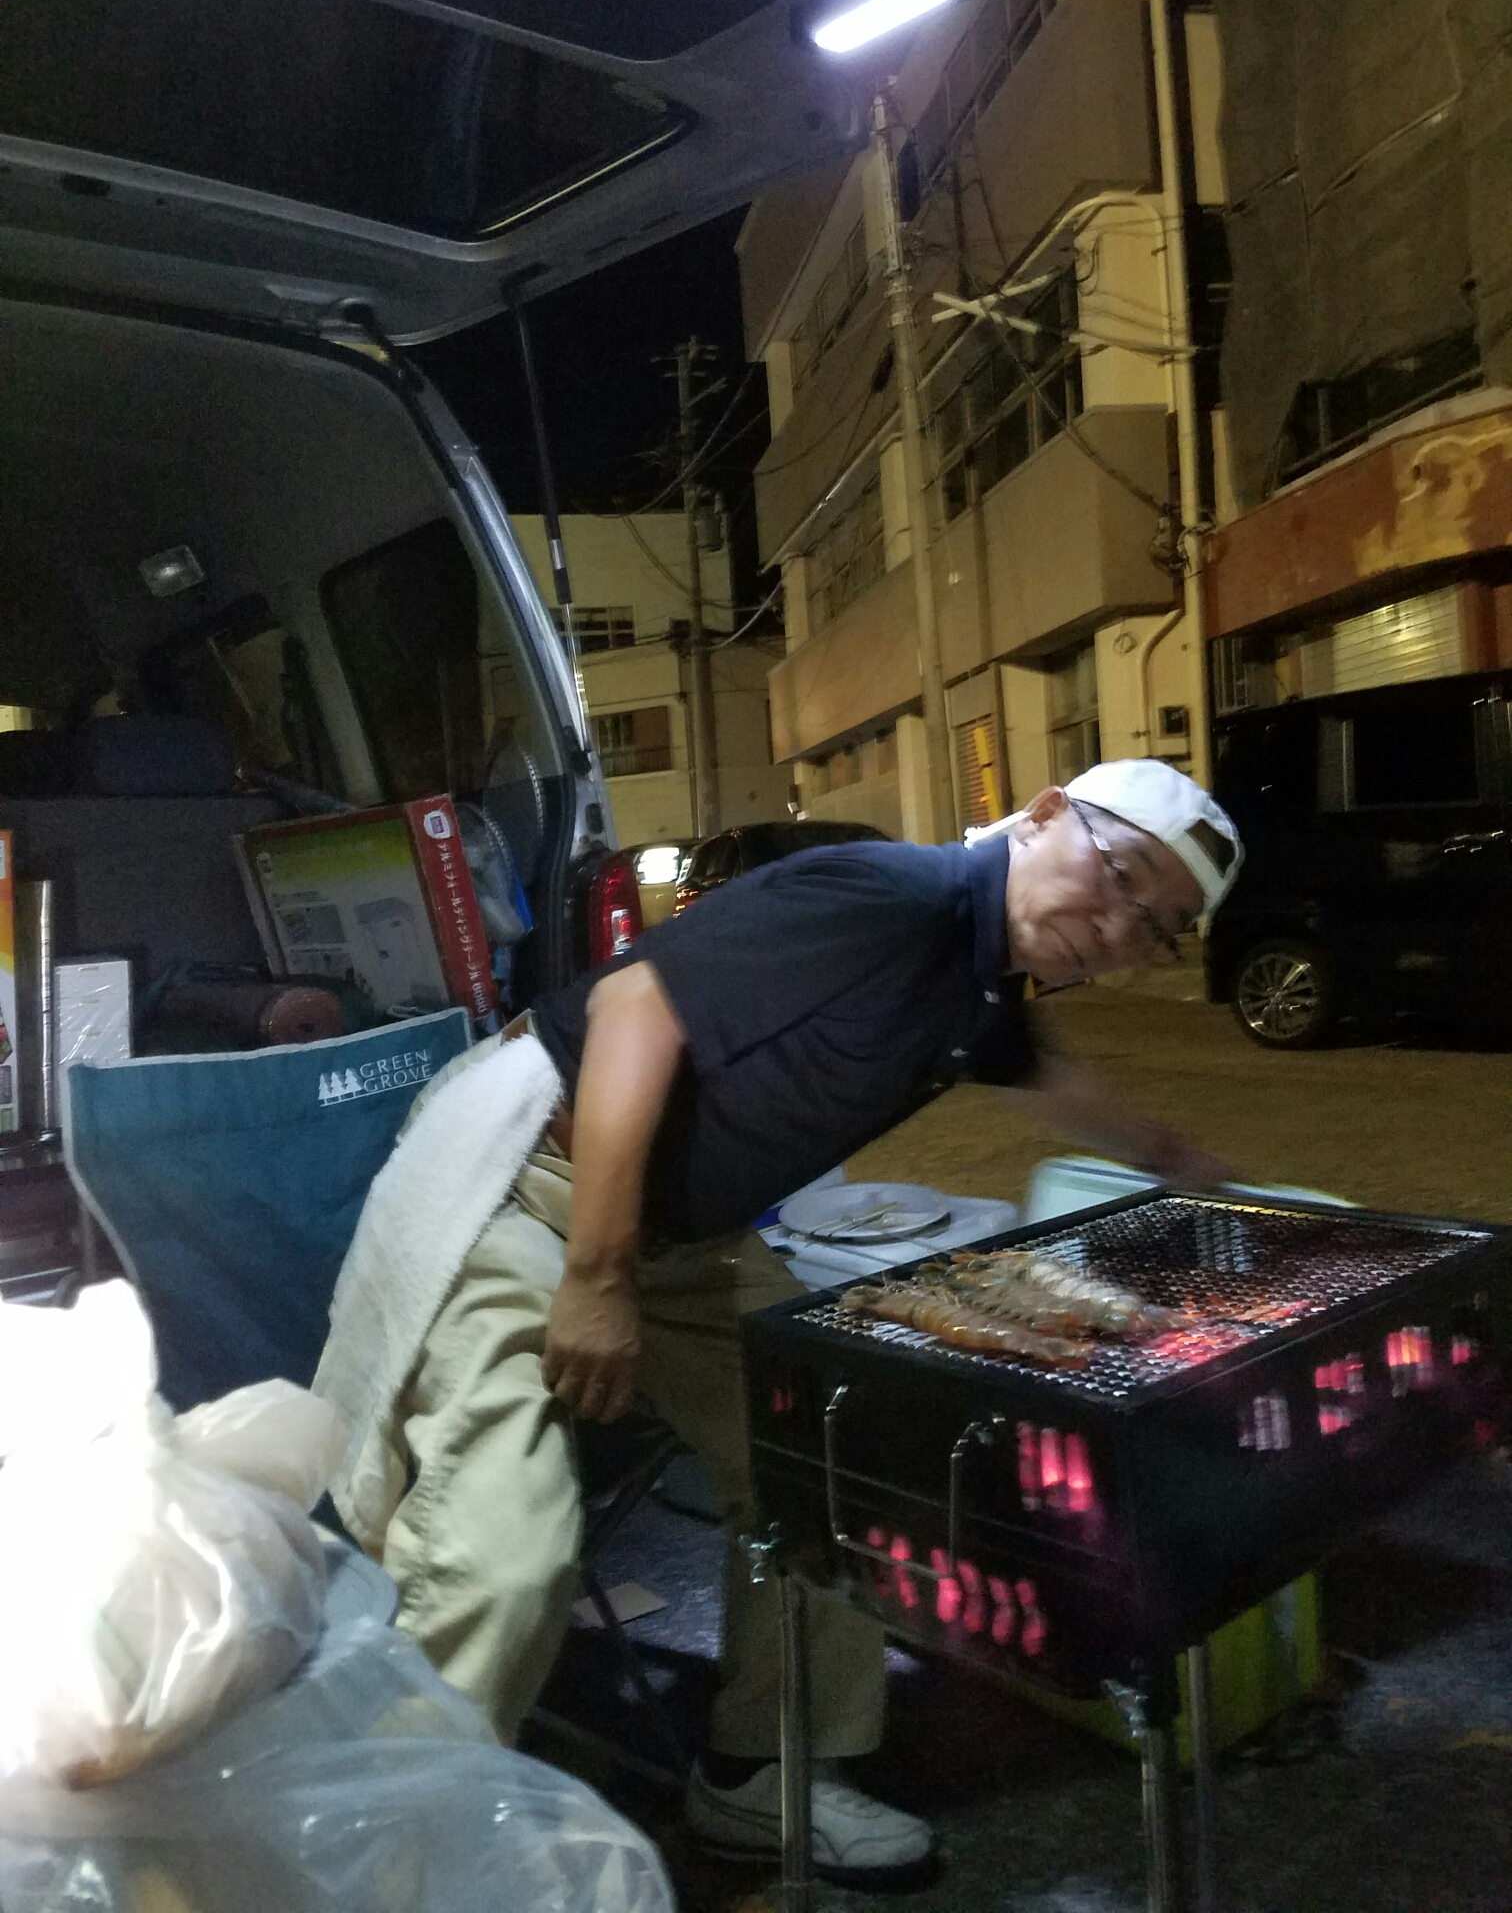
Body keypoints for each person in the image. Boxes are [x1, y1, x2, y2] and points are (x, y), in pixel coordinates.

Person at [322, 758, 1243, 1884]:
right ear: (1046, 814)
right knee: (502, 1552)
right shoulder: (889, 896)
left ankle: (761, 1777)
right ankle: (403, 1854)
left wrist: (1172, 1158)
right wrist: (598, 1276)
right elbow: (632, 1010)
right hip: (532, 1183)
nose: (1117, 928)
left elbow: (1037, 1065)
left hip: (681, 1237)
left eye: (1156, 927)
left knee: (839, 1463)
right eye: (1121, 877)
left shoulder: (983, 976)